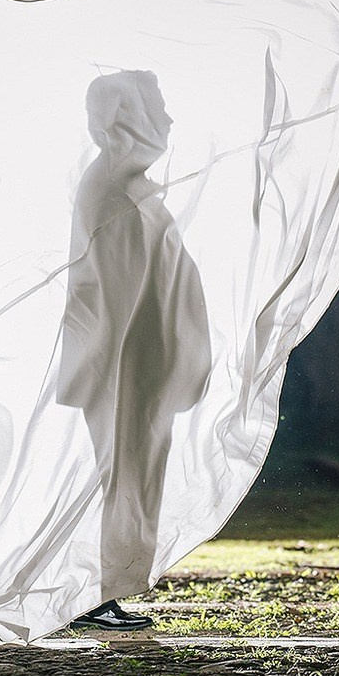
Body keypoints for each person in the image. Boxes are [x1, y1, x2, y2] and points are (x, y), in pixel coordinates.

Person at [56, 71, 211, 632]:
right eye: (157, 109)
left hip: (142, 363)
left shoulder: (131, 187)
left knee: (135, 477)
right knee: (122, 475)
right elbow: (121, 295)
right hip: (122, 364)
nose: (167, 121)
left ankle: (110, 588)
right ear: (131, 117)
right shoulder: (112, 190)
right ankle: (98, 593)